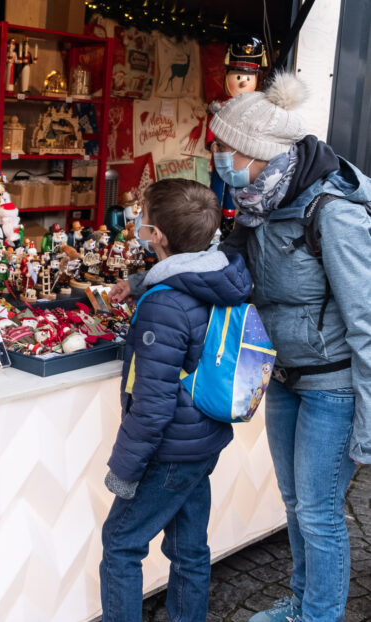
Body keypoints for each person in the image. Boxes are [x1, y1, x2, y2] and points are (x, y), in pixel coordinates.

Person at [112, 72, 371, 622]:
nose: (217, 157)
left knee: (321, 512)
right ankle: (301, 603)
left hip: (335, 386)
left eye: (224, 148)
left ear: (256, 152)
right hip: (286, 376)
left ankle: (318, 616)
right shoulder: (259, 202)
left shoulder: (333, 213)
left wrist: (369, 423)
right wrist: (142, 283)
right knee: (297, 504)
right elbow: (217, 266)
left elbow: (367, 323)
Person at [101, 178, 253, 621]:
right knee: (189, 549)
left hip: (167, 451)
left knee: (121, 544)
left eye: (142, 218)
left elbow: (152, 403)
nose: (137, 224)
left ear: (158, 235)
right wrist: (140, 281)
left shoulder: (163, 305)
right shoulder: (217, 274)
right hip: (202, 439)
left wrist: (124, 472)